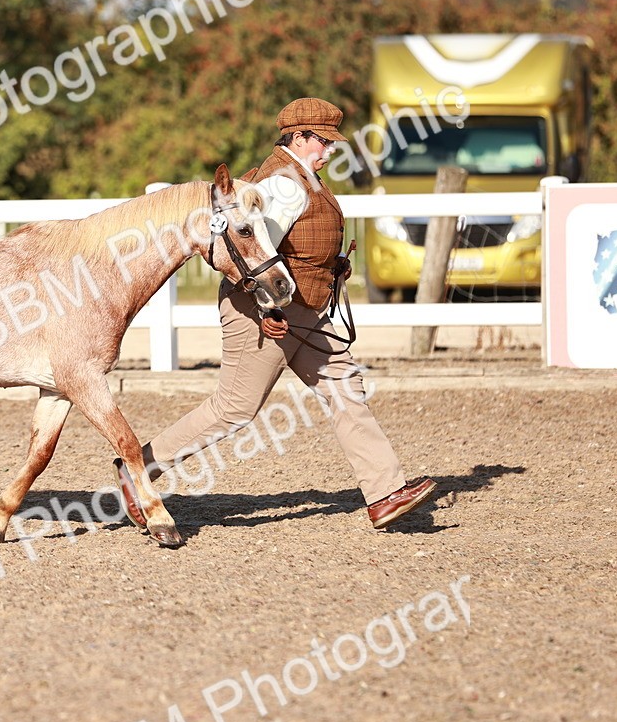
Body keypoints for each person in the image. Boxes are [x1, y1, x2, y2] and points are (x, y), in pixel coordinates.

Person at [115, 97, 436, 532]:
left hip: (304, 308)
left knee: (344, 388)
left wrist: (329, 264)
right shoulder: (283, 184)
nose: (329, 151)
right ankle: (139, 470)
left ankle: (384, 493)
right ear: (298, 137)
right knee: (234, 409)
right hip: (269, 312)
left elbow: (292, 245)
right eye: (322, 142)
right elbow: (254, 254)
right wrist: (267, 307)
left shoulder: (298, 176)